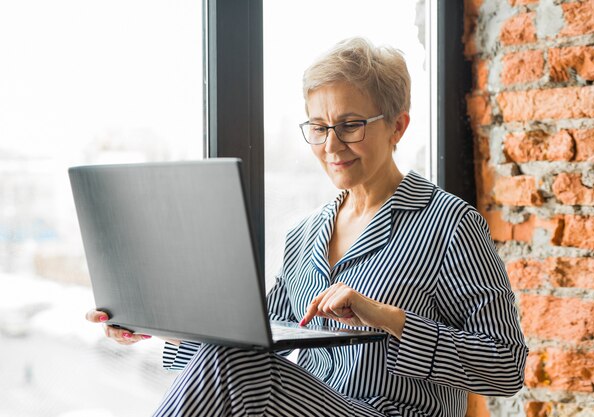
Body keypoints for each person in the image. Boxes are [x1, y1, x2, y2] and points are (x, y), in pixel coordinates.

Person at [86, 37, 527, 417]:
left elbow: (507, 367)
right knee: (235, 352)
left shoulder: (449, 224)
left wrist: (388, 318)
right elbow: (250, 342)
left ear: (398, 126)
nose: (332, 145)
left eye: (350, 125)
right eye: (318, 127)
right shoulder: (305, 235)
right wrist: (154, 324)